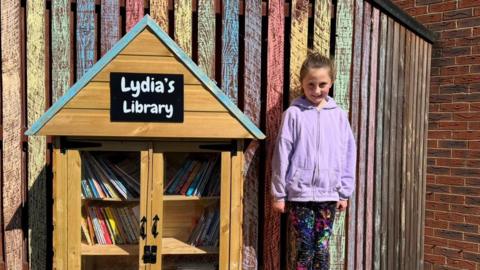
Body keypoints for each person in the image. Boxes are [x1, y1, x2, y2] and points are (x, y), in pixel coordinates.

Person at [271, 51, 357, 270]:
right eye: (311, 85)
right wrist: (279, 194)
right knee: (305, 246)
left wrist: (344, 192)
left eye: (322, 84)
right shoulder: (293, 114)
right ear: (302, 84)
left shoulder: (338, 115)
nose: (316, 90)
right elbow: (282, 154)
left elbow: (348, 153)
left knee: (322, 248)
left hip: (329, 195)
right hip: (299, 196)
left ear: (331, 83)